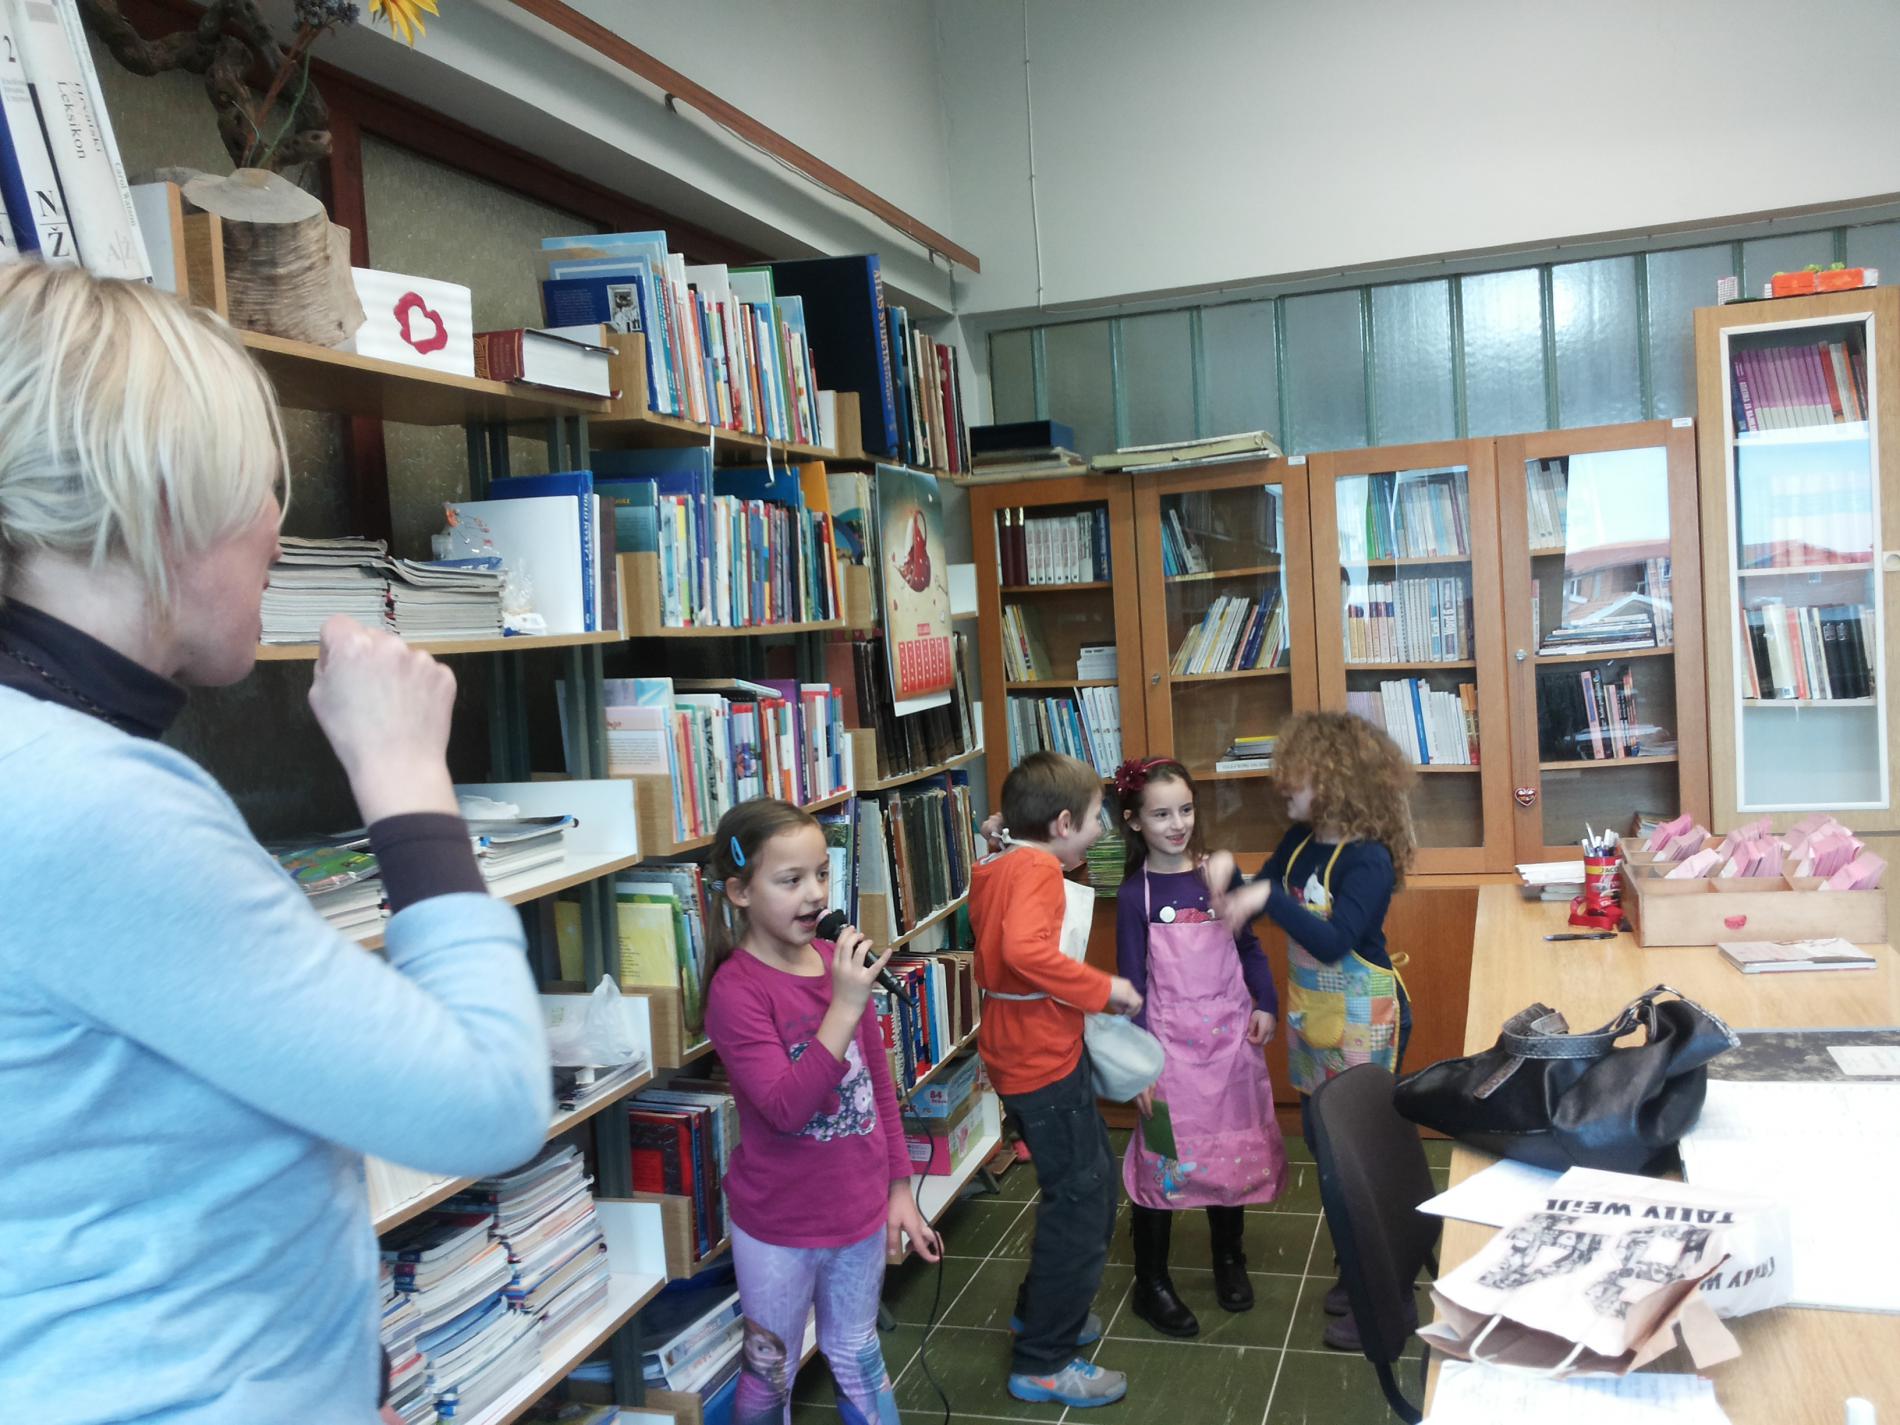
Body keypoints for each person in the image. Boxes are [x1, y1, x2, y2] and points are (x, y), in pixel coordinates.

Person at [0, 263, 552, 1421]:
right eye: (257, 484)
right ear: (164, 500)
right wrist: (405, 775)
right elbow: (490, 1105)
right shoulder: (88, 802)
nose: (277, 530)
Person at [701, 798, 940, 1425]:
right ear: (740, 892)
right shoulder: (737, 990)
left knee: (858, 1350)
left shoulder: (836, 966)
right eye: (790, 880)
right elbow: (785, 1107)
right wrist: (844, 1005)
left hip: (858, 1210)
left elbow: (879, 1089)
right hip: (780, 1224)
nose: (814, 895)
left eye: (821, 874)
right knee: (770, 1370)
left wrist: (898, 1189)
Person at [1205, 710, 1416, 1351]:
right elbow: (1255, 898)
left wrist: (1263, 896)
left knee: (1361, 1167)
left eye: (1293, 773)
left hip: (1365, 1024)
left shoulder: (1369, 859)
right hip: (1317, 1024)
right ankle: (1357, 1270)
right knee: (1332, 1163)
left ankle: (1387, 1297)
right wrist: (1228, 878)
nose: (1281, 785)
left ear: (1333, 778)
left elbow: (1331, 941)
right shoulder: (1300, 843)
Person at [970, 751, 1142, 1409]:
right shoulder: (1037, 868)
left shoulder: (1005, 862)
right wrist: (1103, 988)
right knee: (1082, 1201)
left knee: (1081, 1183)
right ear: (1064, 822)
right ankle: (1045, 1358)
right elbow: (1024, 949)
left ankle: (1039, 1314)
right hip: (1040, 1059)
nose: (1103, 829)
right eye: (1097, 818)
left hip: (1024, 1051)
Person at [1112, 756, 1287, 1339]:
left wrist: (1266, 1002)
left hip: (1230, 1044)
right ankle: (1152, 1280)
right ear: (1134, 821)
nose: (1177, 824)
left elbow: (1249, 947)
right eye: (1161, 814)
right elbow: (1132, 986)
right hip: (1166, 1055)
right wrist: (1139, 1066)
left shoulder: (1216, 875)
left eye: (1185, 810)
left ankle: (1228, 1257)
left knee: (1226, 1155)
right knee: (1162, 1157)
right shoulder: (1134, 894)